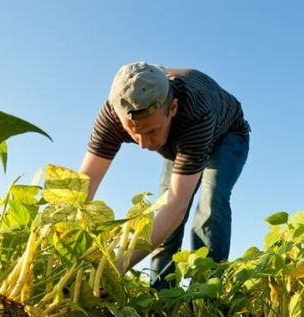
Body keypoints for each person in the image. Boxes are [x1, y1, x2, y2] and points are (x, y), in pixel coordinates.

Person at [79, 62, 250, 288]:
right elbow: (83, 187)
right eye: (133, 132)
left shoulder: (196, 112)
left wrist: (115, 267)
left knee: (211, 199)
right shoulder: (113, 114)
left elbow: (176, 206)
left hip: (226, 134)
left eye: (151, 131)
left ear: (173, 108)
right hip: (177, 141)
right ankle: (160, 293)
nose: (144, 144)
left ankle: (206, 292)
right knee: (162, 212)